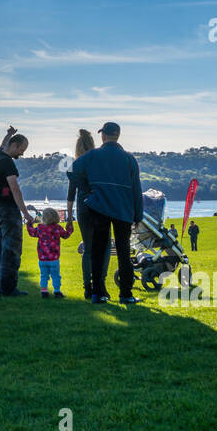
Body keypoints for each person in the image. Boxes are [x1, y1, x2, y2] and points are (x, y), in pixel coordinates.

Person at [67, 121, 143, 304]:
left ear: (103, 136)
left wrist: (88, 189)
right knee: (124, 252)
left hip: (99, 207)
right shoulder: (129, 158)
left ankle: (97, 293)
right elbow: (136, 189)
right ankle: (126, 294)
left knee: (98, 251)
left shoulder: (93, 155)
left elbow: (72, 172)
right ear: (118, 135)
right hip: (123, 209)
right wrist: (138, 215)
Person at [0, 126, 33, 297]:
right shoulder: (7, 163)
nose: (22, 153)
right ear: (14, 145)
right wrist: (26, 213)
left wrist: (8, 134)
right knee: (11, 250)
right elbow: (15, 189)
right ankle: (9, 288)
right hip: (9, 210)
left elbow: (3, 144)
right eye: (21, 149)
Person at [65, 128, 110, 299]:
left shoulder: (75, 166)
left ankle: (87, 286)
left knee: (88, 248)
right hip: (100, 206)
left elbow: (71, 194)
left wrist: (69, 217)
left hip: (83, 208)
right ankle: (101, 284)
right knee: (104, 247)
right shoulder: (99, 164)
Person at [26, 207, 74, 298]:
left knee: (44, 275)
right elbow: (65, 235)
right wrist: (70, 228)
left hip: (42, 259)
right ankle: (57, 291)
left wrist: (29, 224)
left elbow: (31, 232)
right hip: (54, 259)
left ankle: (44, 291)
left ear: (43, 218)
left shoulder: (40, 228)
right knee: (56, 275)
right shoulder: (57, 228)